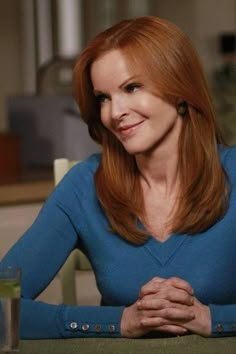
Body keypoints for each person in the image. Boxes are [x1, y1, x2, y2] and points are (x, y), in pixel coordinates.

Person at [1, 15, 236, 340]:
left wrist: (213, 318)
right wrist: (118, 322)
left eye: (132, 87)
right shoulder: (83, 186)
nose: (114, 112)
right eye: (103, 97)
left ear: (181, 89)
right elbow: (3, 305)